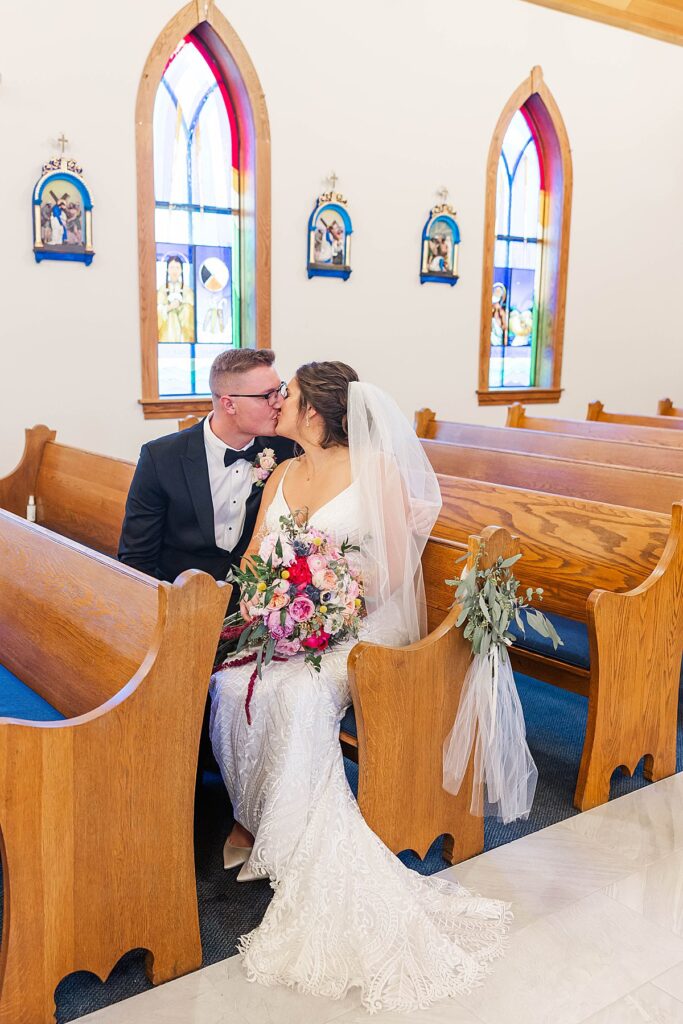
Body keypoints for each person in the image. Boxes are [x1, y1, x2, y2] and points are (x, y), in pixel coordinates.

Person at [209, 361, 510, 1013]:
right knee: (229, 687)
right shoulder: (282, 473)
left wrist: (326, 604)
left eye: (287, 395)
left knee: (296, 696)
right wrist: (268, 599)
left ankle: (298, 847)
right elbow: (256, 552)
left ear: (315, 411)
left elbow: (396, 571)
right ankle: (257, 821)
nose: (277, 402)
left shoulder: (377, 471)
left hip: (360, 632)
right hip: (293, 623)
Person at [118, 348, 296, 593]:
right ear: (229, 404)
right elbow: (136, 559)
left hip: (257, 599)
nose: (279, 403)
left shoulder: (287, 449)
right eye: (267, 396)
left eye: (280, 390)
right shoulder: (161, 458)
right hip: (180, 598)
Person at [157, 255, 195, 344]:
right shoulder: (162, 289)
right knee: (171, 314)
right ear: (167, 269)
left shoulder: (187, 290)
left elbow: (191, 308)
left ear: (181, 270)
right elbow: (158, 309)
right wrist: (169, 307)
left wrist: (180, 306)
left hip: (183, 329)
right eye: (172, 267)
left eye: (177, 268)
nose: (174, 271)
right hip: (167, 329)